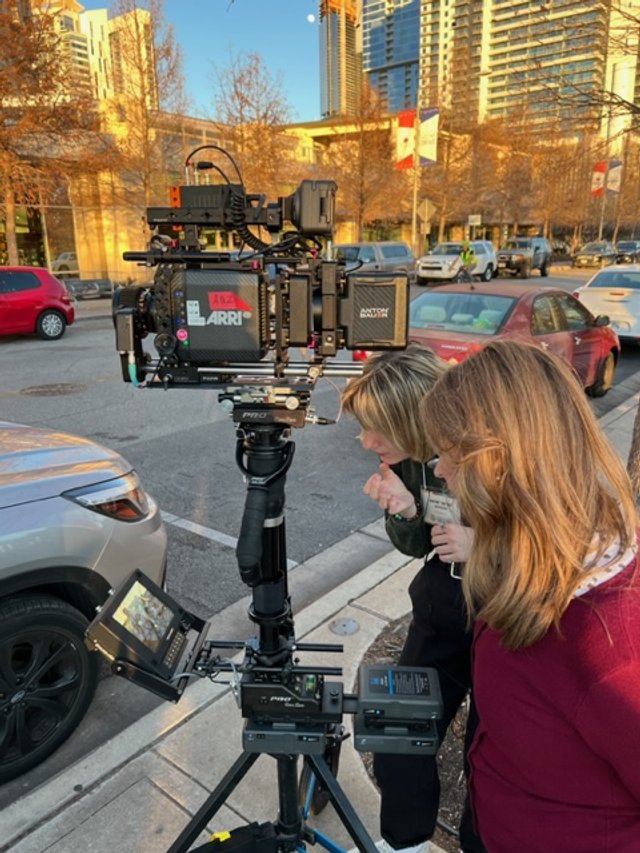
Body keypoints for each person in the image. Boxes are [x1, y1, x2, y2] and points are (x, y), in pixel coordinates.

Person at [420, 339, 640, 852]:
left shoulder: (610, 651)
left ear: (497, 467)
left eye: (449, 455)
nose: (438, 470)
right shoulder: (533, 562)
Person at [341, 342, 485, 853]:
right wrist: (406, 512)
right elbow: (420, 544)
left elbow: (547, 536)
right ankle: (405, 840)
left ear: (411, 416)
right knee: (400, 726)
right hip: (441, 604)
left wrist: (483, 548)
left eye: (373, 426)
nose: (363, 441)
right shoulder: (405, 457)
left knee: (488, 750)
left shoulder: (490, 448)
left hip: (500, 617)